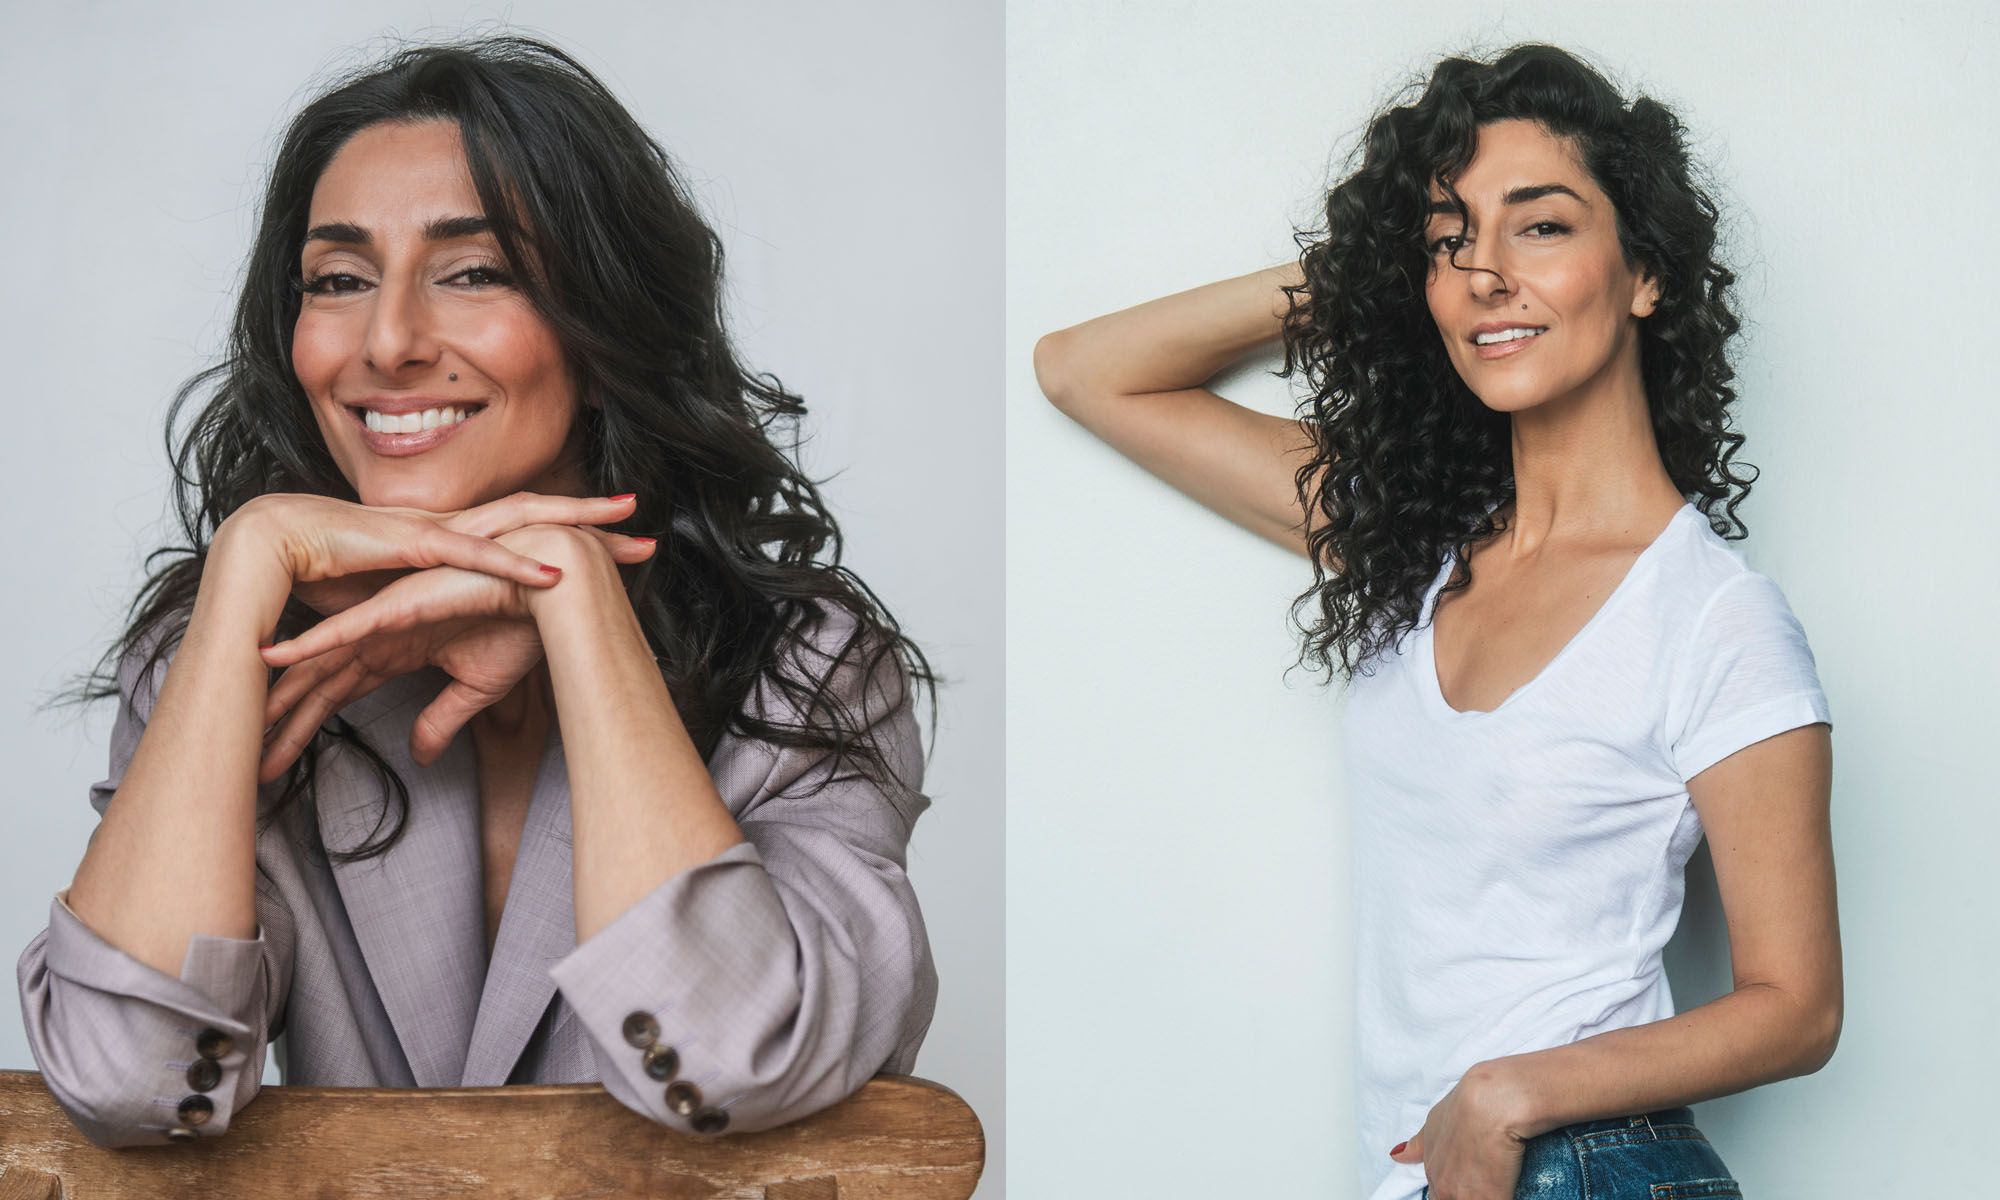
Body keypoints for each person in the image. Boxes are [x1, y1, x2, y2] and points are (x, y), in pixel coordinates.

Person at [17, 34, 939, 1149]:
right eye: (339, 280)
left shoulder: (807, 668)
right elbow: (129, 1081)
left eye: (473, 273)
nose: (390, 341)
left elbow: (735, 1059)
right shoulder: (230, 649)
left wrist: (572, 592)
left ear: (601, 326)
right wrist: (247, 558)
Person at [1035, 43, 1837, 1200]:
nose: (1486, 274)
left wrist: (1510, 1091)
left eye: (1540, 226)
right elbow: (1083, 368)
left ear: (1644, 274)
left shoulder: (1712, 618)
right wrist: (1373, 267)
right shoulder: (1411, 549)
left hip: (1586, 1160)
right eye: (1447, 239)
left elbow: (1796, 1006)